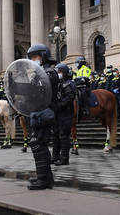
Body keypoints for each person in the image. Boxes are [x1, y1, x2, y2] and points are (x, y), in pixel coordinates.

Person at [25, 44, 58, 190]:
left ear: (43, 56)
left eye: (35, 57)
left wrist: (34, 77)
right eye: (31, 57)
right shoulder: (40, 72)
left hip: (45, 112)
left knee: (37, 144)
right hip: (38, 112)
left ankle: (43, 179)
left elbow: (42, 90)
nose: (33, 60)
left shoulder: (49, 72)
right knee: (39, 145)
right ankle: (45, 177)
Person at [52, 63, 76, 166]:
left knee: (63, 136)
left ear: (64, 73)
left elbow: (69, 98)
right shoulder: (58, 84)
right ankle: (55, 156)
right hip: (58, 113)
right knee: (55, 135)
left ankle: (64, 158)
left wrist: (59, 105)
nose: (58, 74)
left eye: (60, 72)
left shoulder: (69, 84)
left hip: (65, 113)